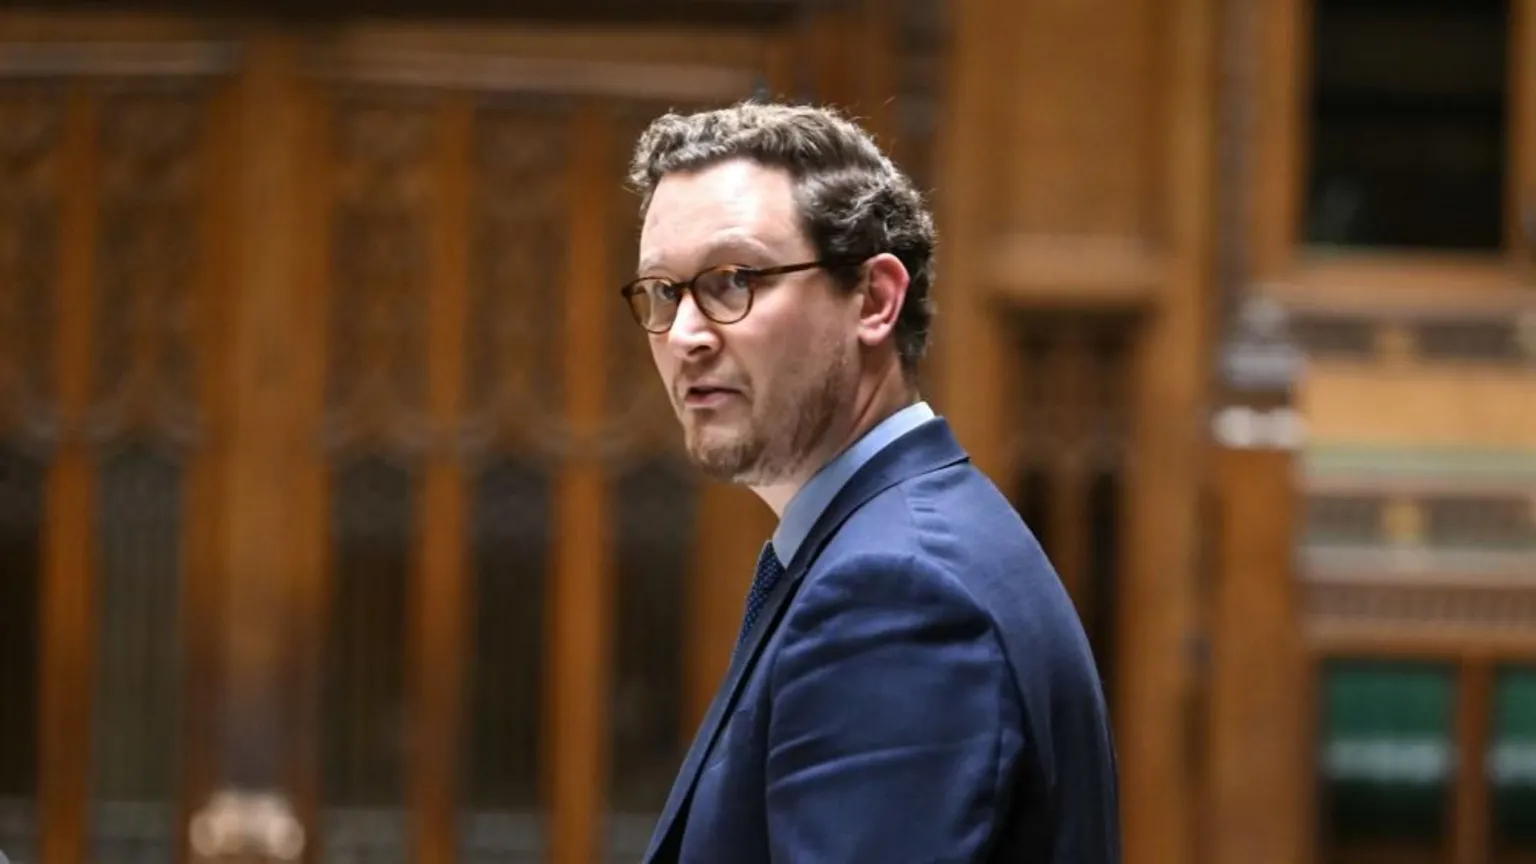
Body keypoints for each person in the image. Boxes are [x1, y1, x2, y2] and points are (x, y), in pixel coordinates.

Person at [620, 101, 1120, 863]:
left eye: (731, 281)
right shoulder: (902, 540)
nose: (686, 334)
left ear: (876, 299)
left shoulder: (897, 590)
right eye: (662, 291)